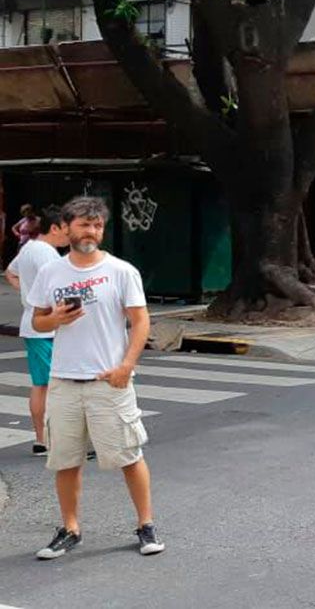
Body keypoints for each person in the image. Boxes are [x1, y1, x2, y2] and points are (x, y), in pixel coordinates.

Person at [27, 196, 164, 559]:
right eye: (84, 224)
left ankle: (146, 525)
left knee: (129, 455)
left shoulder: (122, 271)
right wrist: (53, 319)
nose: (91, 231)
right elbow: (36, 321)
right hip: (64, 381)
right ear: (67, 226)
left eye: (97, 225)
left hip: (109, 381)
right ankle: (70, 529)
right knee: (65, 460)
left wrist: (126, 367)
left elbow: (140, 321)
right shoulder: (51, 272)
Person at [4, 205, 69, 454]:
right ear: (54, 228)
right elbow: (58, 291)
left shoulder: (28, 248)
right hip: (48, 327)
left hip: (32, 324)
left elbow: (10, 273)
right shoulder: (48, 255)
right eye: (66, 229)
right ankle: (57, 439)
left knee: (40, 384)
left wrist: (27, 296)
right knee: (59, 384)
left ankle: (41, 438)